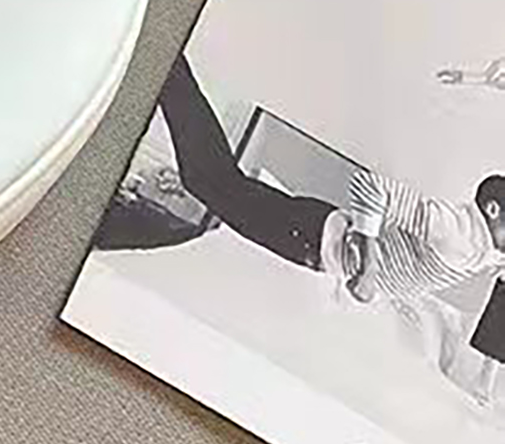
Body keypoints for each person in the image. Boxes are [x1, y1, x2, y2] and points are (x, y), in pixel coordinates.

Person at [157, 56, 505, 308]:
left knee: (218, 182)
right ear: (492, 210)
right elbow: (372, 187)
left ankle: (172, 71)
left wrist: (479, 79)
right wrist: (369, 266)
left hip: (314, 240)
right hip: (310, 236)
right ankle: (170, 69)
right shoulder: (455, 230)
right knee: (210, 180)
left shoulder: (483, 251)